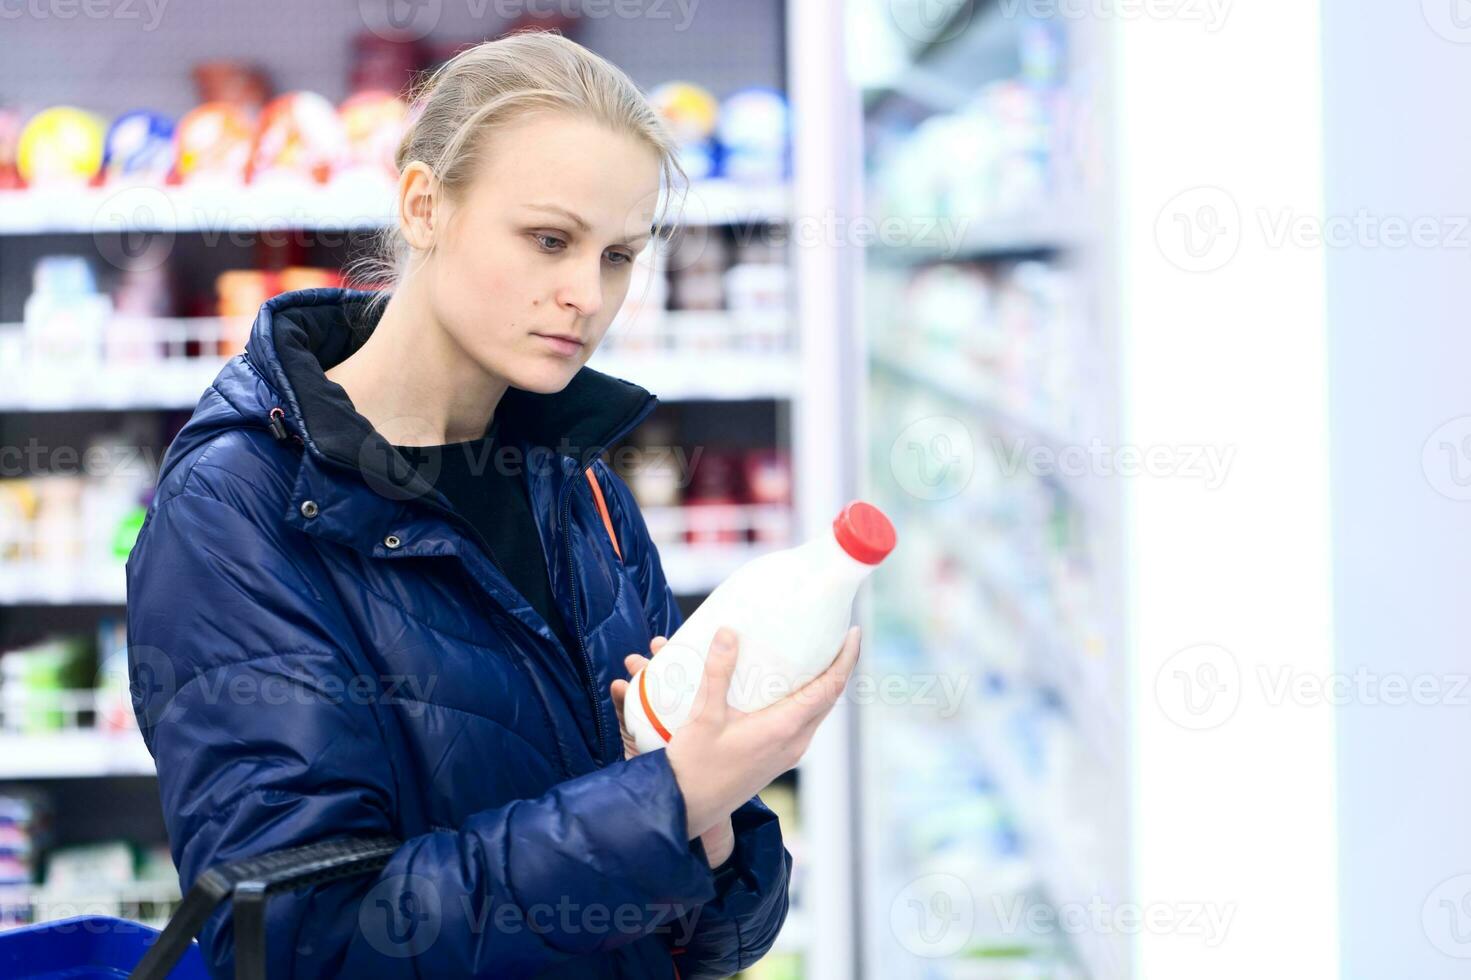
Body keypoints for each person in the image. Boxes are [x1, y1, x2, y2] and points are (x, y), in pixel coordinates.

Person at [125, 30, 860, 979]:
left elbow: (719, 942)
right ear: (424, 205)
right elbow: (304, 944)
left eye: (618, 256)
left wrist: (714, 823)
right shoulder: (238, 510)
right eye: (549, 240)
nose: (583, 296)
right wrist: (669, 802)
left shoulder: (578, 483)